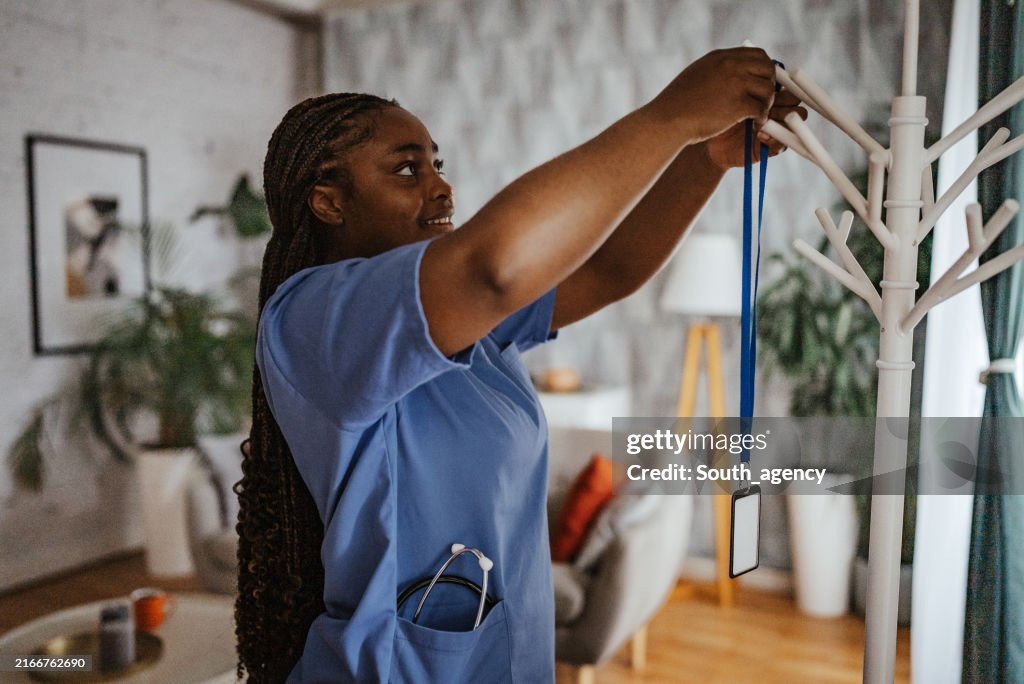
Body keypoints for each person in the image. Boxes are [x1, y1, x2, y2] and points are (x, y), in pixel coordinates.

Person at [235, 47, 804, 683]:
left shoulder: (461, 325)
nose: (441, 186)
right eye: (405, 170)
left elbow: (606, 271)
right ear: (329, 203)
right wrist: (671, 117)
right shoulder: (313, 316)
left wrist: (704, 157)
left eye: (436, 164)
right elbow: (493, 267)